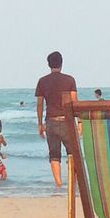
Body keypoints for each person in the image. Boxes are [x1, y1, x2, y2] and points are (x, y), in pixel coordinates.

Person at [35, 51, 77, 188]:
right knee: (72, 153)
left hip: (51, 121)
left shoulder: (42, 81)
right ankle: (73, 183)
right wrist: (79, 121)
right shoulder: (70, 80)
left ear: (48, 64)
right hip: (66, 121)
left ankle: (58, 184)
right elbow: (74, 101)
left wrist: (40, 123)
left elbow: (40, 104)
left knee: (54, 155)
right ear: (62, 63)